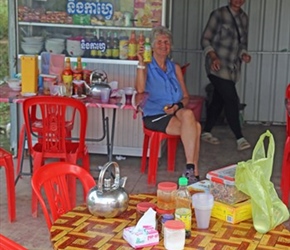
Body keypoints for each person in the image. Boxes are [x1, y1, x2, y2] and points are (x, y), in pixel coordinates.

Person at [135, 26, 201, 184]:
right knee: (196, 128)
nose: (163, 45)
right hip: (155, 114)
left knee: (188, 114)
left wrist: (177, 107)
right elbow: (140, 89)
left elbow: (185, 97)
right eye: (159, 42)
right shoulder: (147, 66)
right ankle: (193, 172)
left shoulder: (175, 68)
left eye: (166, 42)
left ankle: (190, 169)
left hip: (174, 111)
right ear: (153, 45)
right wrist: (140, 63)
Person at [200, 0, 251, 151]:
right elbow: (205, 39)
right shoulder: (218, 14)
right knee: (231, 99)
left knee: (219, 99)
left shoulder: (244, 18)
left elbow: (243, 44)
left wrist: (244, 55)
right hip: (216, 66)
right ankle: (239, 138)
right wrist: (213, 56)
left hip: (232, 68)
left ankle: (207, 131)